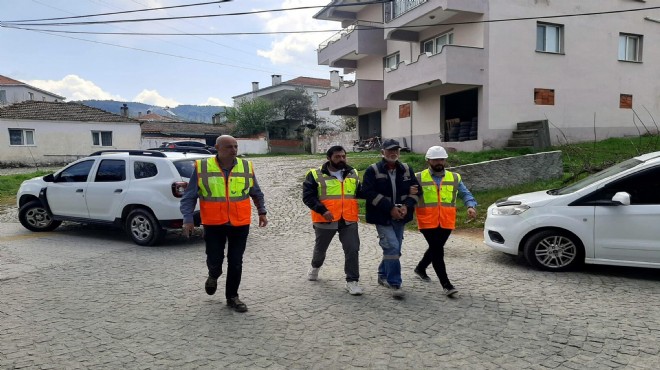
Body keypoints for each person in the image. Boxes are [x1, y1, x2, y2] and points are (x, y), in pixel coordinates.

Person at [180, 135, 268, 313]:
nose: (234, 150)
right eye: (229, 147)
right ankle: (213, 275)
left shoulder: (246, 166)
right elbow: (189, 196)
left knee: (236, 261)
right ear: (217, 148)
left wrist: (262, 212)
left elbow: (256, 192)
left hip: (239, 222)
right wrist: (188, 219)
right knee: (215, 259)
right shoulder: (202, 167)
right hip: (214, 223)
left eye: (235, 146)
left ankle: (232, 297)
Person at [413, 146, 477, 297]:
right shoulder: (418, 177)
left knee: (436, 248)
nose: (439, 162)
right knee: (437, 250)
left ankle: (420, 268)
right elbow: (409, 196)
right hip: (427, 220)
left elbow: (465, 193)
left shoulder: (454, 177)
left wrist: (471, 206)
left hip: (447, 220)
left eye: (441, 159)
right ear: (428, 160)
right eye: (435, 160)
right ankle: (446, 284)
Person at [362, 138, 420, 299]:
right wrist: (390, 208)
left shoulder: (407, 169)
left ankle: (382, 274)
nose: (393, 153)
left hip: (401, 216)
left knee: (394, 250)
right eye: (389, 150)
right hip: (381, 217)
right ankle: (395, 284)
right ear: (382, 152)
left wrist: (406, 206)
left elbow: (417, 192)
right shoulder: (372, 170)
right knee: (393, 247)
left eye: (396, 150)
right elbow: (367, 192)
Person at [302, 146, 363, 295]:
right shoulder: (315, 175)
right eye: (337, 157)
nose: (341, 159)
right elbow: (308, 197)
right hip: (325, 219)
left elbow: (360, 192)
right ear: (329, 158)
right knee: (320, 250)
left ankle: (352, 281)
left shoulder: (352, 173)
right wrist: (322, 210)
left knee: (352, 249)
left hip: (348, 219)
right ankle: (315, 266)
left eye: (343, 156)